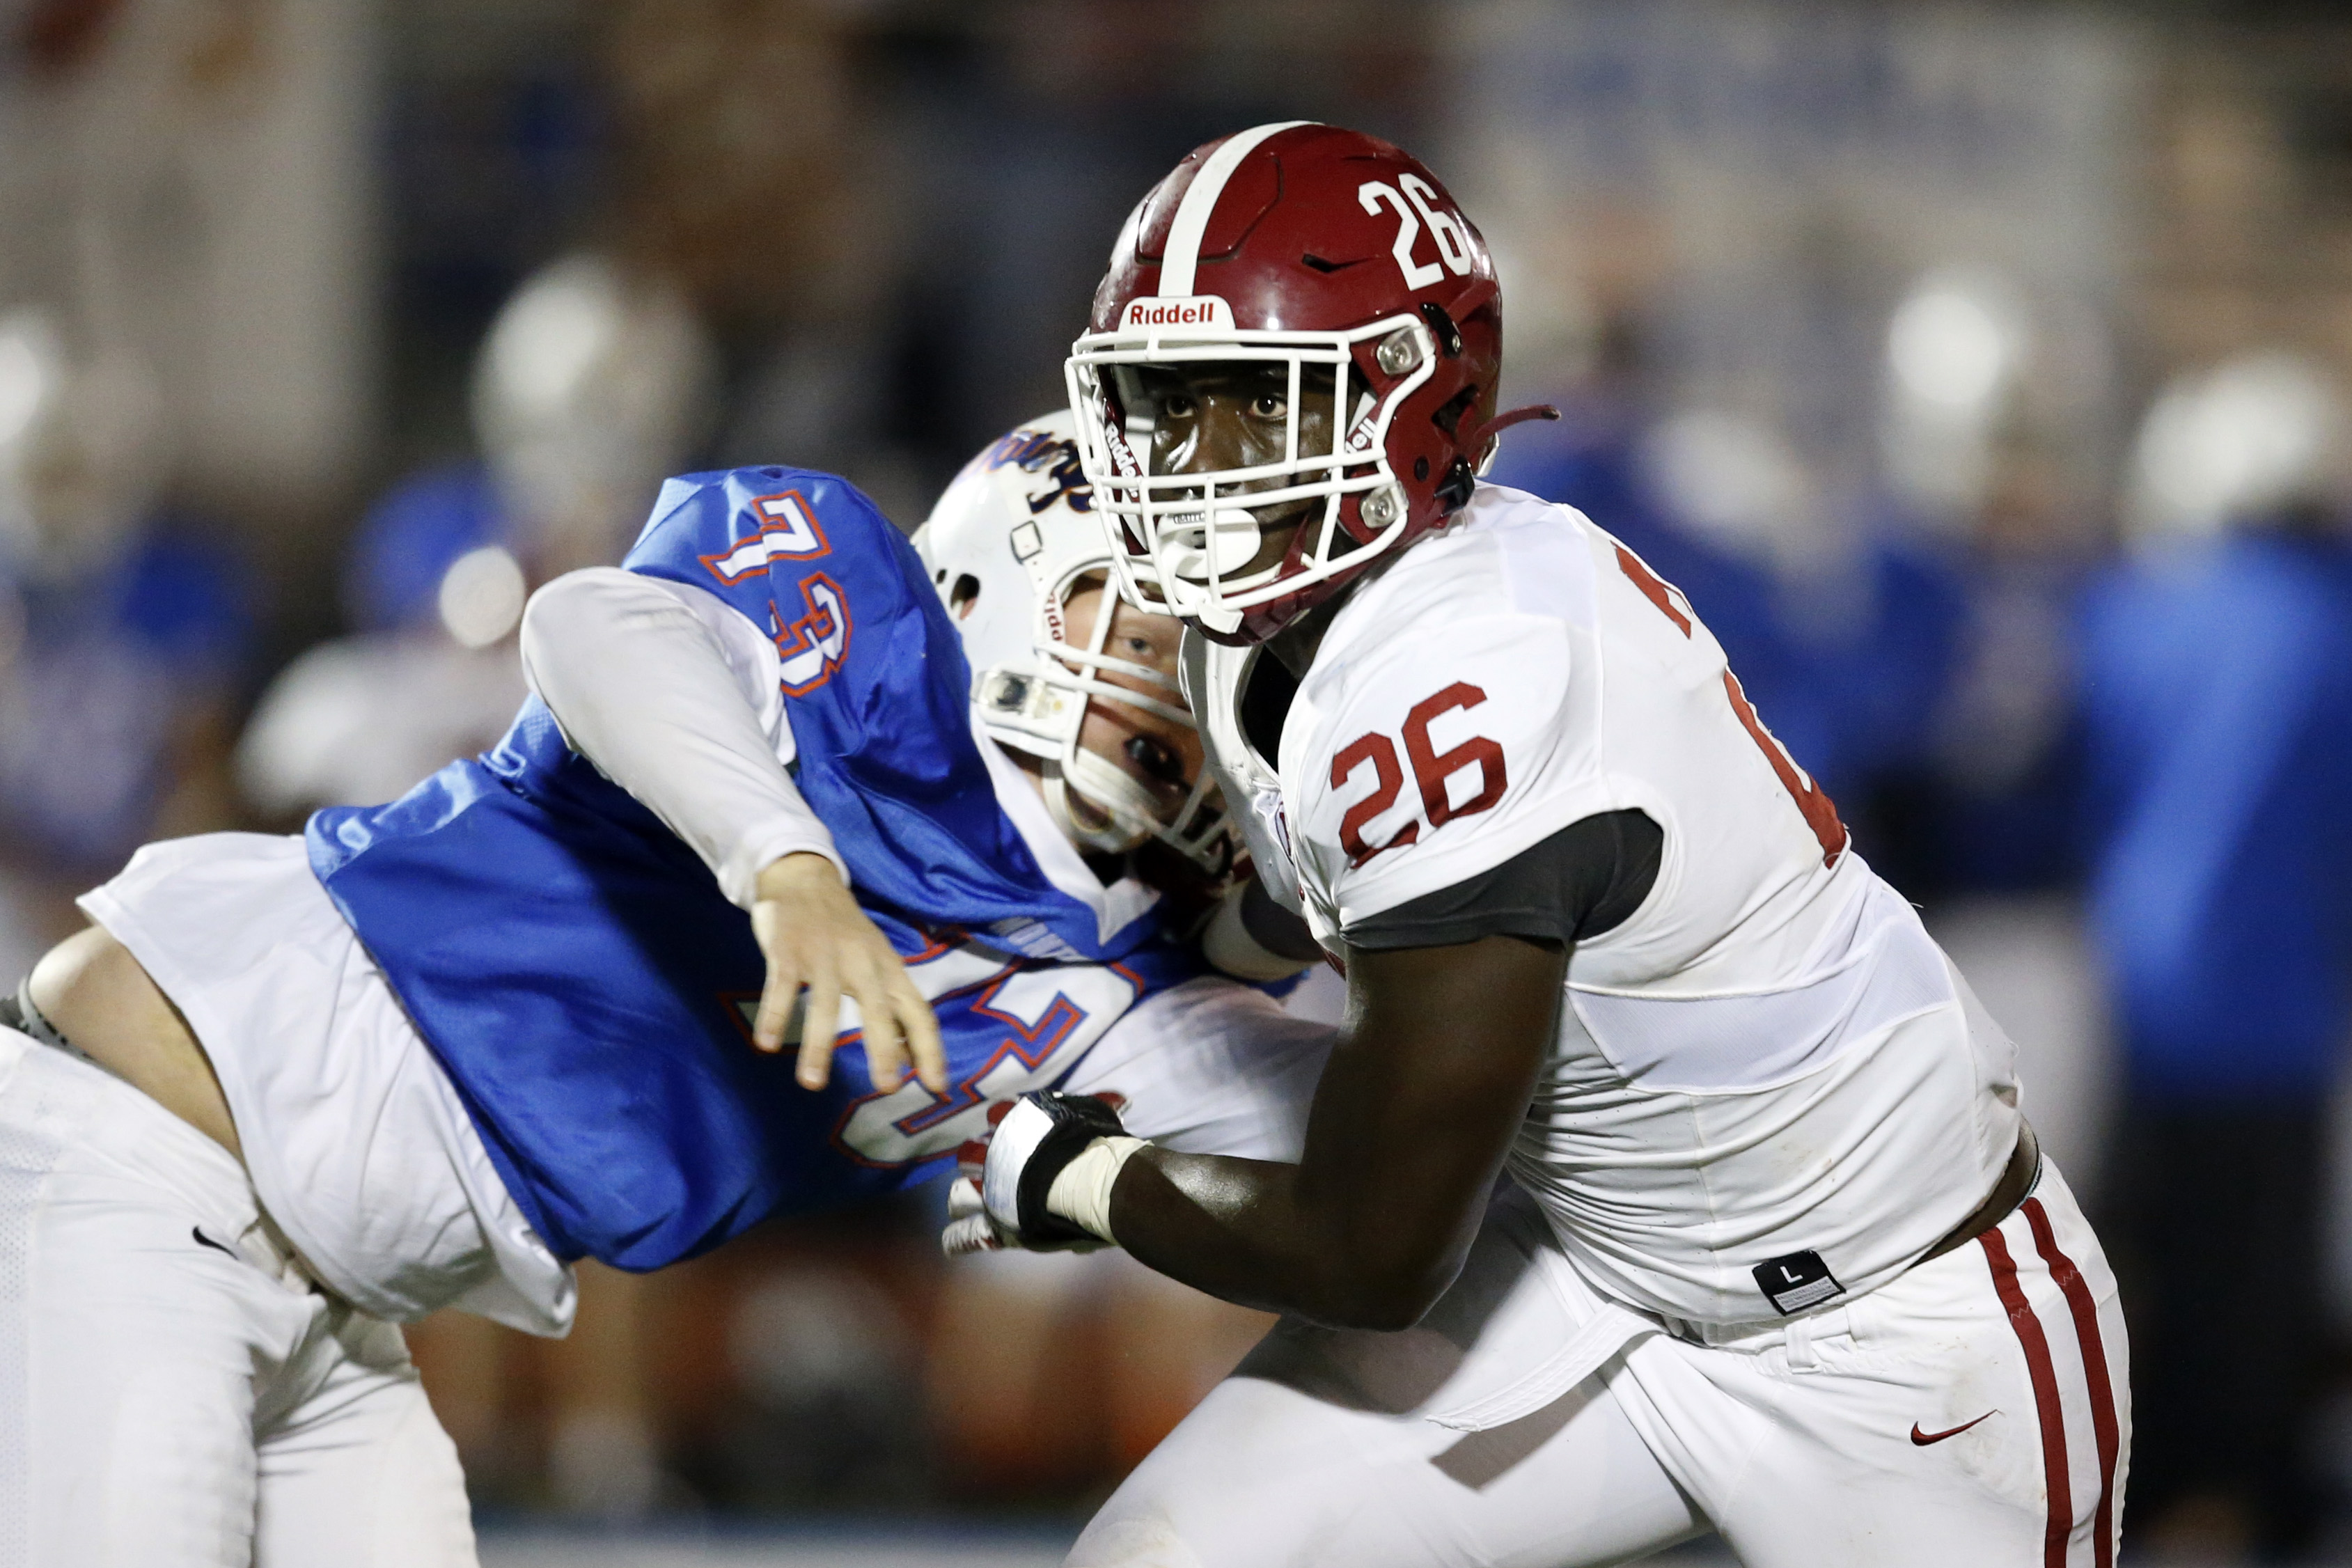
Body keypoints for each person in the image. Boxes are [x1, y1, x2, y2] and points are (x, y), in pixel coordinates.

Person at [952, 123, 2128, 1567]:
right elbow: (1293, 916)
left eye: (1257, 410)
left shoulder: (1481, 671)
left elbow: (1372, 1248)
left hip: (1898, 1334)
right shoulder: (1274, 620)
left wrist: (1067, 1171)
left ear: (1406, 402)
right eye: (1170, 407)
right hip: (1595, 1271)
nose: (1195, 469)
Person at [0, 410, 1330, 1565]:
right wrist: (785, 863)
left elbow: (1394, 1163)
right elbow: (599, 624)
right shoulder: (857, 619)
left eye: (1228, 648)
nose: (1193, 671)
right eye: (1156, 613)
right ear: (1008, 558)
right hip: (131, 1159)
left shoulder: (1135, 984)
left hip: (340, 1307)